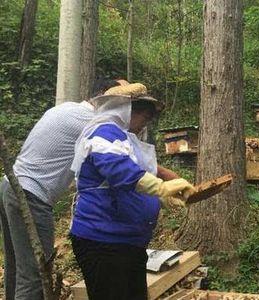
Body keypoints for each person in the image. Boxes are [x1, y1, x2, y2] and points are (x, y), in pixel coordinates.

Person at [0, 78, 124, 300]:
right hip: (31, 195)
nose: (126, 108)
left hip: (10, 186)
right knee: (36, 274)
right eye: (123, 100)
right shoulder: (91, 122)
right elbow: (121, 156)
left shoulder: (67, 109)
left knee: (18, 268)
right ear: (105, 98)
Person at [69, 83, 196, 300]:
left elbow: (136, 181)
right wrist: (162, 188)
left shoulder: (125, 138)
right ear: (127, 110)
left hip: (128, 242)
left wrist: (163, 198)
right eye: (144, 118)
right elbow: (120, 172)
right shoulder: (103, 132)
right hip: (103, 241)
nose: (144, 124)